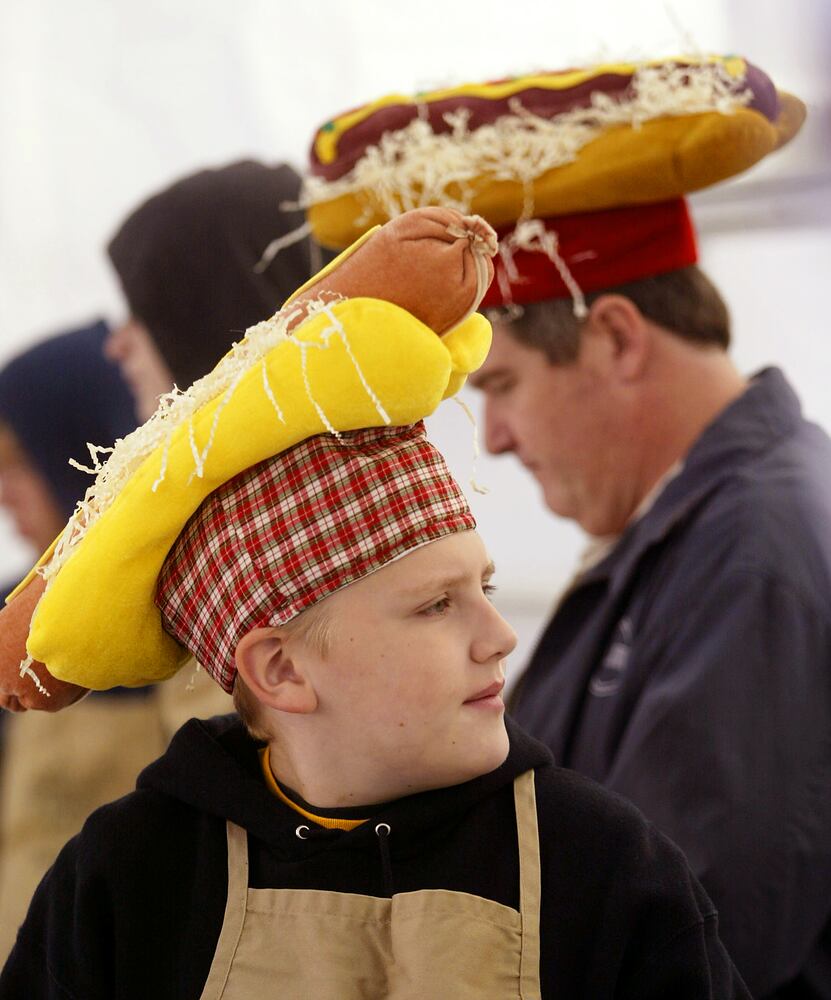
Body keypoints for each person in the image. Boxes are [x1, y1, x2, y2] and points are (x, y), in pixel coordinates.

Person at [0, 208, 749, 998]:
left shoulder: (600, 868)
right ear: (281, 668)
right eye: (435, 606)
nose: (498, 637)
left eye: (483, 589)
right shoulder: (131, 878)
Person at [298, 56, 827, 996]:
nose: (491, 439)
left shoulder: (753, 552)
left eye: (499, 387)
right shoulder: (703, 523)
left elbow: (689, 940)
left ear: (618, 336)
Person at [0, 321, 170, 958]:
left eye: (19, 466)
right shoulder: (13, 620)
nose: (3, 496)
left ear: (81, 448)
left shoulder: (184, 619)